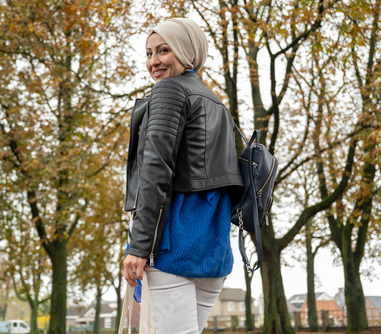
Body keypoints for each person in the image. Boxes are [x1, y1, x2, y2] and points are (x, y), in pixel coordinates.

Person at [123, 17, 243, 333]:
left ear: (186, 51)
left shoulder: (169, 91)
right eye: (149, 53)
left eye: (164, 50)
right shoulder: (215, 102)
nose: (154, 62)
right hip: (213, 249)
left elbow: (155, 171)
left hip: (172, 243)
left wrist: (139, 246)